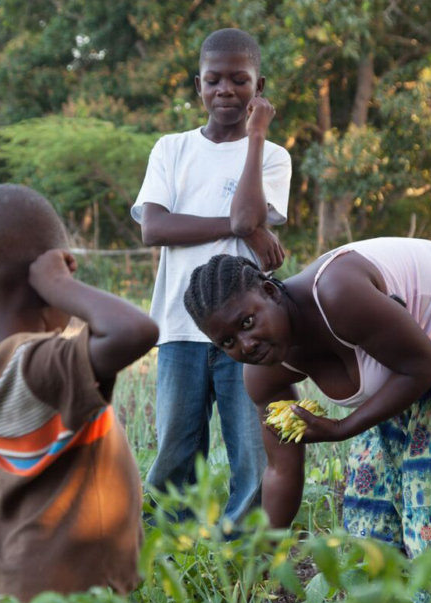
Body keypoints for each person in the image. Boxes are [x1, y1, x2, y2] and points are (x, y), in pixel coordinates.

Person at [183, 238, 431, 557]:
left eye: (248, 322)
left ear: (271, 291)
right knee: (368, 513)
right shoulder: (262, 374)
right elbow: (281, 471)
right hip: (415, 360)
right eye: (227, 341)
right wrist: (265, 556)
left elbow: (423, 367)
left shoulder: (337, 293)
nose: (245, 344)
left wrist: (343, 428)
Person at [0, 183, 158, 602]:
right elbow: (136, 330)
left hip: (12, 567)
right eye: (64, 275)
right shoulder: (43, 368)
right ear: (45, 286)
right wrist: (63, 287)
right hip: (75, 580)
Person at [130, 27, 291, 526]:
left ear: (258, 86)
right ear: (197, 86)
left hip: (247, 331)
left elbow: (250, 214)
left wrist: (256, 136)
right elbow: (155, 227)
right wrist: (244, 228)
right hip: (179, 327)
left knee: (251, 452)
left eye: (239, 80)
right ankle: (165, 551)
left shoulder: (274, 156)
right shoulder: (171, 149)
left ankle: (244, 560)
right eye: (213, 80)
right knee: (176, 452)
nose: (226, 90)